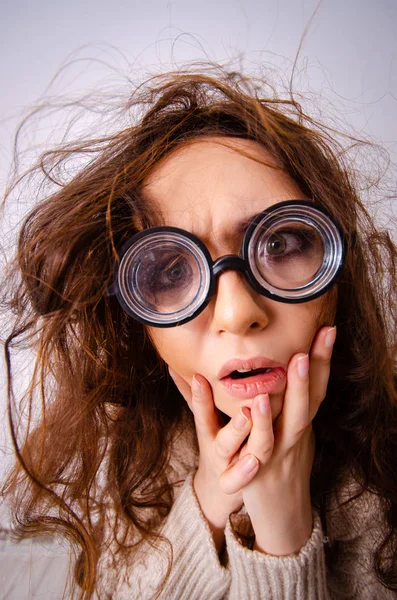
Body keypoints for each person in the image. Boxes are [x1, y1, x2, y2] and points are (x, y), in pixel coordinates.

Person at [1, 68, 397, 600]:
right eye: (171, 271)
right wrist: (214, 495)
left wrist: (282, 524)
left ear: (337, 275)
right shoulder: (113, 472)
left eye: (280, 244)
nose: (236, 312)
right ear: (138, 322)